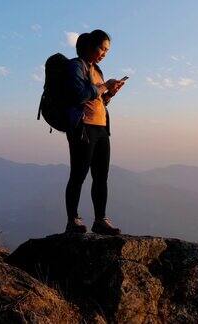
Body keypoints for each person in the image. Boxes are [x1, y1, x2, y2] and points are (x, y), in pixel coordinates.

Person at [64, 29, 125, 235]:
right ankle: (72, 220)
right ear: (91, 46)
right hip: (83, 128)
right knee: (78, 175)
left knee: (101, 177)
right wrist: (102, 87)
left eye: (107, 50)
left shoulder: (97, 70)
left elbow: (99, 101)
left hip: (101, 129)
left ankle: (100, 220)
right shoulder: (76, 66)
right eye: (103, 49)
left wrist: (110, 93)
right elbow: (79, 95)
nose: (105, 54)